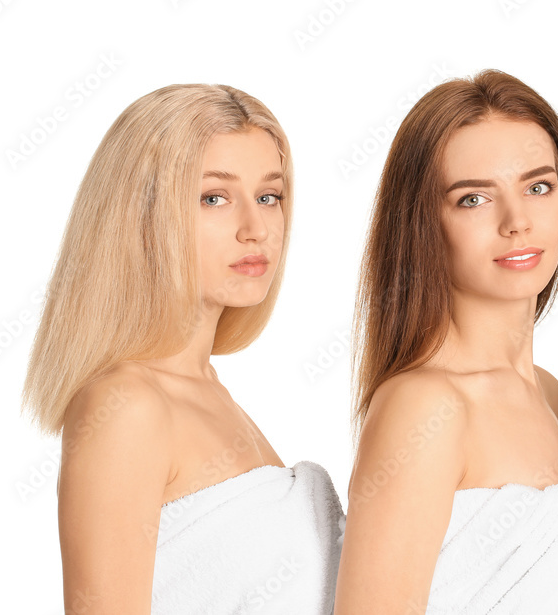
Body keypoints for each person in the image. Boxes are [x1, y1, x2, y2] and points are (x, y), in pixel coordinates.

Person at [22, 84, 343, 614]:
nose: (255, 228)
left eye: (269, 196)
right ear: (141, 216)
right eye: (213, 197)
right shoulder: (125, 405)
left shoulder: (212, 392)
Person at [334, 70, 558, 614]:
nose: (517, 221)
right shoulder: (425, 407)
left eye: (538, 187)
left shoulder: (547, 394)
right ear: (423, 221)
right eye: (474, 199)